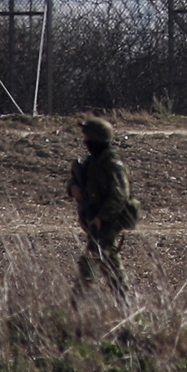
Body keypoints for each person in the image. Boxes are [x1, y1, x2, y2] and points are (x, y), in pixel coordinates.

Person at [67, 117, 138, 293]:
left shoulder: (113, 163)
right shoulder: (92, 161)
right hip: (95, 217)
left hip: (110, 220)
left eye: (88, 137)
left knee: (90, 261)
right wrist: (73, 188)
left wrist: (101, 218)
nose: (86, 141)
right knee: (110, 263)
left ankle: (78, 302)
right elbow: (77, 180)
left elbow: (120, 195)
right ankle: (125, 303)